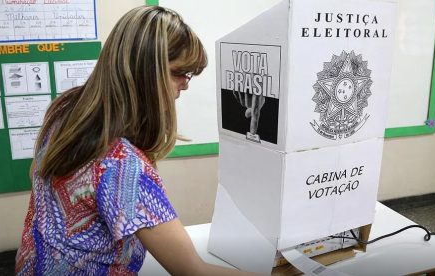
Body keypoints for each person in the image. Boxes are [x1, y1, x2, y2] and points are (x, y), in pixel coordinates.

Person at [15, 6, 256, 275]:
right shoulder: (122, 167)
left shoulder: (67, 108)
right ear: (144, 71)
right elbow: (192, 271)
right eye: (179, 73)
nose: (186, 85)